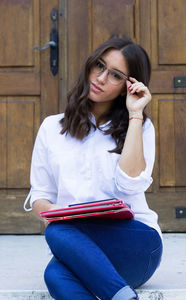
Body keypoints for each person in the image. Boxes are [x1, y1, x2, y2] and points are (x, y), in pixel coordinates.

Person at [24, 37, 163, 300]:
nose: (100, 78)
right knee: (55, 274)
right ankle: (123, 296)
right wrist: (58, 212)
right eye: (99, 66)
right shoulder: (51, 128)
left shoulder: (140, 127)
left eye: (115, 75)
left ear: (127, 87)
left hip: (136, 245)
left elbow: (131, 184)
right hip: (77, 244)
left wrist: (135, 114)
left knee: (57, 231)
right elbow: (40, 196)